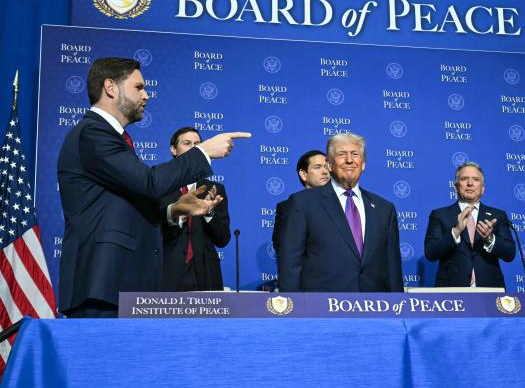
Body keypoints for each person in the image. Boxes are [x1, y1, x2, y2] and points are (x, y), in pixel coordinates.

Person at [57, 57, 250, 317]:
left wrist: (173, 211)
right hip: (102, 284)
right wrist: (203, 152)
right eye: (138, 88)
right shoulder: (94, 133)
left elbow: (127, 205)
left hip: (121, 286)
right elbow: (149, 183)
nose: (146, 95)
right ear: (111, 88)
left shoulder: (113, 138)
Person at [278, 133, 403, 292]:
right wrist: (293, 309)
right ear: (329, 165)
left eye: (355, 154)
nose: (349, 160)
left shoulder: (384, 208)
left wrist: (397, 309)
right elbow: (290, 263)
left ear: (363, 163)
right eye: (341, 154)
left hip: (374, 307)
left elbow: (392, 267)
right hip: (322, 308)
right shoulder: (303, 203)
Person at [159, 127, 231, 291]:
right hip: (166, 272)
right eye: (187, 143)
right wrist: (179, 212)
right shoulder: (159, 186)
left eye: (198, 144)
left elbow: (223, 239)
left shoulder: (215, 190)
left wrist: (209, 213)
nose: (193, 147)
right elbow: (150, 232)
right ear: (173, 149)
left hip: (205, 274)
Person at [424, 162, 515, 288]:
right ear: (456, 186)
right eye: (464, 179)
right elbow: (431, 253)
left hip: (490, 289)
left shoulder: (497, 215)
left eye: (476, 179)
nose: (470, 183)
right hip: (451, 290)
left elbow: (510, 254)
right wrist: (455, 231)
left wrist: (490, 239)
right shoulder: (439, 215)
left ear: (483, 188)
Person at [272, 150, 329, 255]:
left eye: (327, 167)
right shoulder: (288, 207)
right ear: (303, 174)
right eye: (318, 167)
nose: (325, 171)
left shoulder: (343, 203)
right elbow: (283, 248)